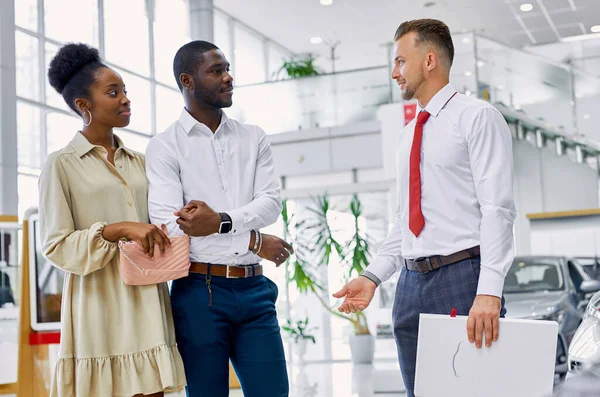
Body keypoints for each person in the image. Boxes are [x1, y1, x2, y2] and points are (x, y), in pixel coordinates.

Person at [333, 19, 516, 396]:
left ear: (429, 60)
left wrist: (489, 291)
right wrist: (372, 277)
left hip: (462, 278)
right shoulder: (408, 135)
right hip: (410, 284)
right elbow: (406, 219)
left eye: (400, 61)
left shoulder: (477, 118)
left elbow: (498, 209)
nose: (394, 72)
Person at [146, 40, 292, 397]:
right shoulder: (165, 146)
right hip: (199, 293)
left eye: (227, 69)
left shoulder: (253, 137)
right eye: (216, 71)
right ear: (188, 80)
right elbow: (172, 228)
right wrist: (254, 240)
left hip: (255, 291)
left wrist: (221, 221)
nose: (228, 78)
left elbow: (271, 204)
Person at [39, 43, 186, 397]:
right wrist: (116, 229)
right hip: (97, 305)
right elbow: (55, 245)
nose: (125, 99)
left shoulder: (141, 162)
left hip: (148, 297)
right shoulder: (61, 165)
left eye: (125, 91)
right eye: (113, 92)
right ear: (83, 106)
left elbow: (163, 222)